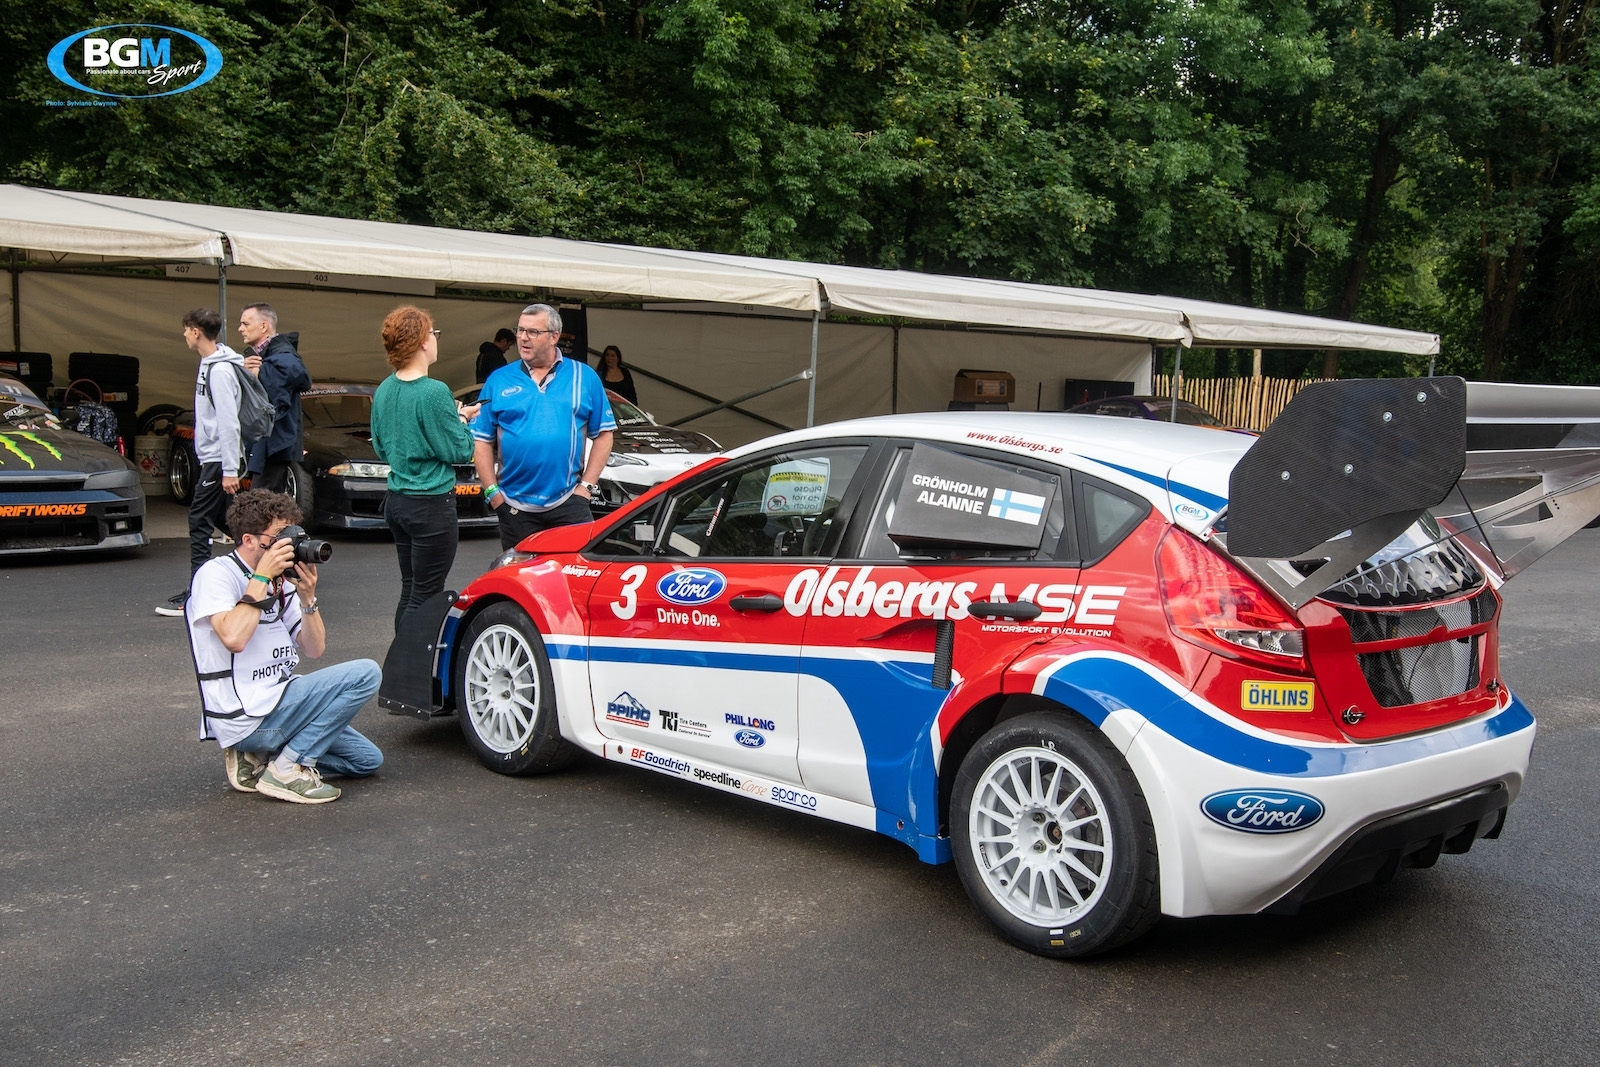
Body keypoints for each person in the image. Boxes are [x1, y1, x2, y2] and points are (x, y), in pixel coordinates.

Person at [185, 488, 383, 804]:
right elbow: (234, 639)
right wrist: (261, 577)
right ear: (250, 540)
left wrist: (307, 597)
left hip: (277, 700)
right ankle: (288, 769)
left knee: (365, 760)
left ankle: (261, 756)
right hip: (244, 714)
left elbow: (314, 649)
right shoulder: (216, 574)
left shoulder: (282, 581)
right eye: (280, 536)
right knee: (366, 673)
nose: (289, 545)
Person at [371, 307, 481, 632]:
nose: (435, 339)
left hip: (398, 500)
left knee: (411, 588)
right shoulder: (434, 392)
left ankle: (400, 665)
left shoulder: (385, 389)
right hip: (430, 504)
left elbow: (381, 445)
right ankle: (412, 671)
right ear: (421, 341)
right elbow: (460, 450)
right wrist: (461, 419)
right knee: (427, 594)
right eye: (433, 333)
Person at [472, 303, 617, 550]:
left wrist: (586, 488)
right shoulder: (499, 379)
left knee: (574, 581)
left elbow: (604, 435)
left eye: (533, 332)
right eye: (519, 330)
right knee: (519, 583)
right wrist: (493, 494)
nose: (523, 338)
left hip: (569, 502)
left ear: (554, 337)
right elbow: (481, 439)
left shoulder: (584, 376)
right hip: (514, 506)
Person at [155, 308, 249, 617]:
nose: (183, 334)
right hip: (213, 458)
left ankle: (198, 594)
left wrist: (229, 469)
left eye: (186, 329)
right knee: (232, 521)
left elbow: (228, 421)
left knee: (199, 520)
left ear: (196, 331)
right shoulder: (210, 363)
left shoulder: (220, 370)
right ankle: (256, 578)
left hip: (218, 460)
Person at [238, 303, 313, 493]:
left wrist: (260, 373)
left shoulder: (283, 353)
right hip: (267, 441)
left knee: (260, 503)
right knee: (270, 503)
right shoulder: (264, 355)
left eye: (245, 324)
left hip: (275, 442)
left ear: (264, 326)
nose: (240, 329)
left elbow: (301, 377)